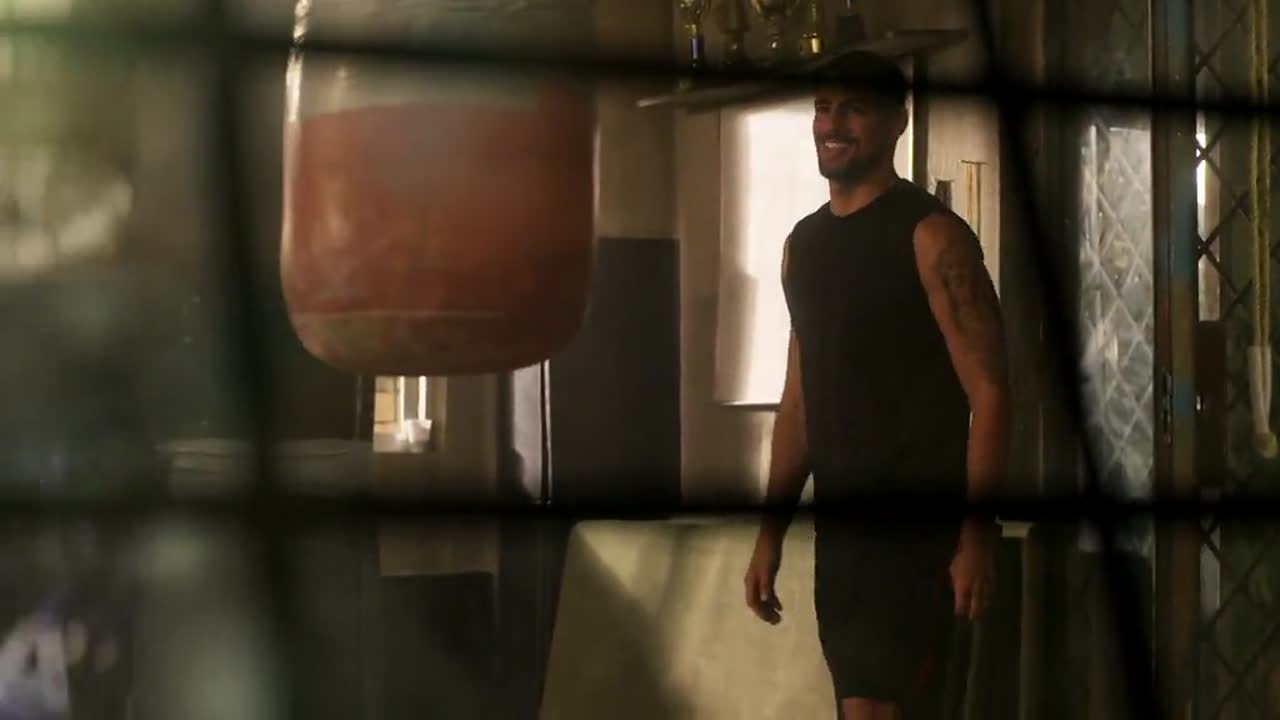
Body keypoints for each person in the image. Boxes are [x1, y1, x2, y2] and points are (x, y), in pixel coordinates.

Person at [741, 51, 1011, 720]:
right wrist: (770, 535)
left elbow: (991, 394)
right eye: (823, 108)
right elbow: (799, 402)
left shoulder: (932, 237)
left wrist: (976, 536)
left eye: (854, 109)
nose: (832, 124)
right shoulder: (803, 246)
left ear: (896, 122)